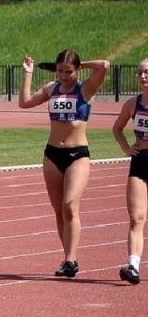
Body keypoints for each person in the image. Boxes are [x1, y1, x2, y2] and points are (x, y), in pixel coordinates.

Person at [19, 50, 111, 277]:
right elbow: (24, 103)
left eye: (68, 71)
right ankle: (68, 258)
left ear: (77, 70)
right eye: (60, 70)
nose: (63, 75)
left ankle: (71, 260)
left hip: (77, 155)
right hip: (52, 155)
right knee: (59, 211)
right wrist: (28, 74)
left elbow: (104, 65)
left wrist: (80, 64)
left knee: (70, 206)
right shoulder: (52, 89)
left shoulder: (86, 88)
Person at [110, 57, 148, 284]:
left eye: (147, 72)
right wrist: (126, 148)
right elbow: (117, 128)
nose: (143, 77)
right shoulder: (133, 104)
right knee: (137, 217)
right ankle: (133, 266)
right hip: (140, 161)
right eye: (140, 73)